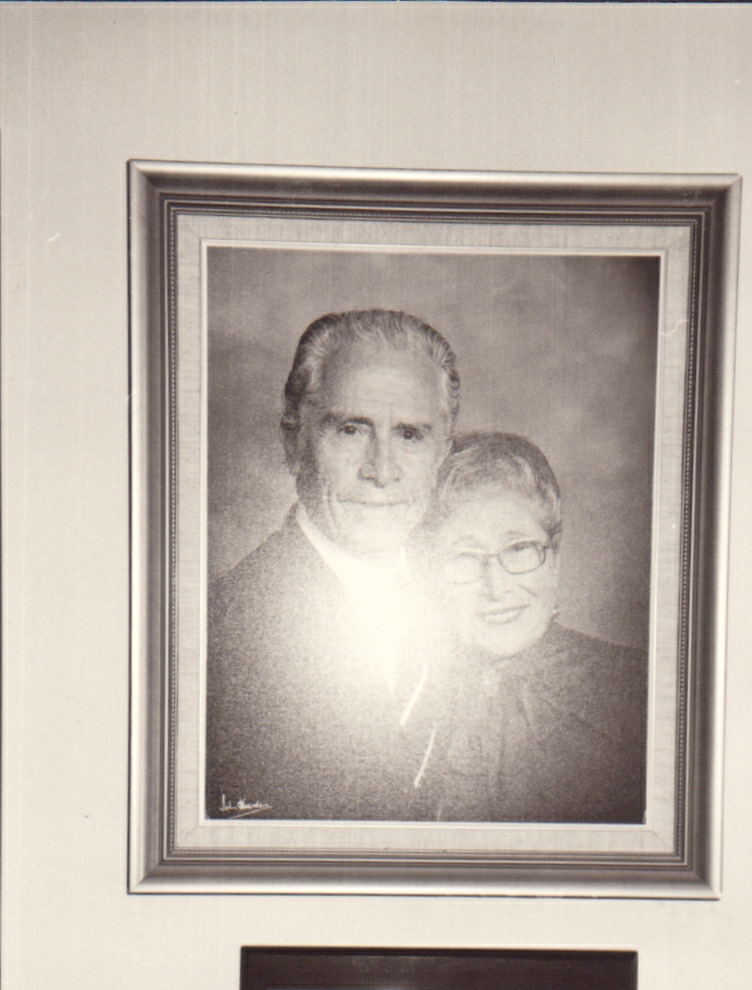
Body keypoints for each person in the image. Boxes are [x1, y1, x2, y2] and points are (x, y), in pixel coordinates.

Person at [205, 309, 458, 821]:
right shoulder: (213, 636)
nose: (381, 471)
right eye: (351, 430)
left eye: (410, 435)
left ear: (443, 453)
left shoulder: (473, 606)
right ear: (294, 443)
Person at [418, 432, 647, 824]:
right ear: (430, 574)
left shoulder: (637, 691)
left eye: (519, 548)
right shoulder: (402, 697)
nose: (497, 586)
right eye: (465, 557)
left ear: (554, 559)